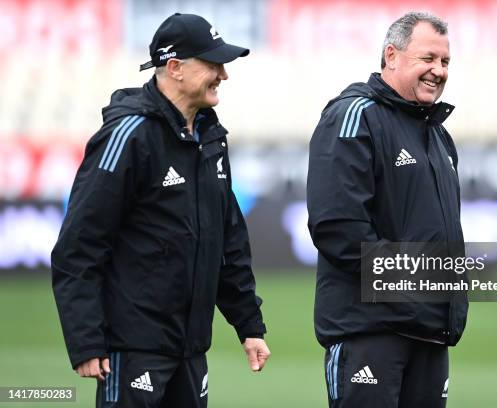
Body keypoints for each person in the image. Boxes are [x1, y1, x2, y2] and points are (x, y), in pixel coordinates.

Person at [51, 13, 270, 407]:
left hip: (190, 351)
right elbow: (78, 246)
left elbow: (228, 242)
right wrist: (86, 340)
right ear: (175, 68)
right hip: (132, 349)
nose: (223, 74)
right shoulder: (128, 136)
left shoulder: (211, 139)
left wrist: (248, 325)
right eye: (213, 64)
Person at [307, 12, 468, 408]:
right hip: (371, 333)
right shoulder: (355, 116)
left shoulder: (437, 135)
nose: (438, 71)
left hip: (429, 332)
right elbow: (338, 229)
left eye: (445, 62)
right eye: (427, 58)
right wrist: (414, 289)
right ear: (391, 56)